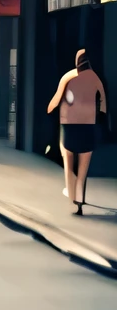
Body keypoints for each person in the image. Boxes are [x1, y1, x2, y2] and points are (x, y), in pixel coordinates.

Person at [49, 48, 107, 215]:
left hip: (69, 125)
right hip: (88, 126)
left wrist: (50, 108)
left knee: (67, 159)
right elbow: (103, 102)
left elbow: (56, 98)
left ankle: (71, 193)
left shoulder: (68, 76)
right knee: (83, 167)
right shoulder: (95, 78)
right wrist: (100, 118)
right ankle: (80, 201)